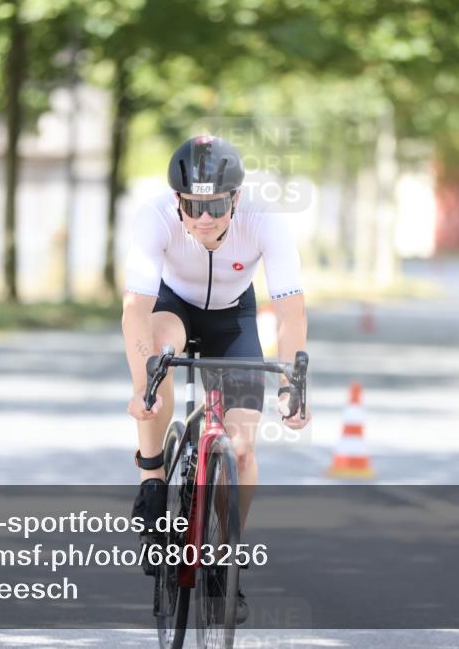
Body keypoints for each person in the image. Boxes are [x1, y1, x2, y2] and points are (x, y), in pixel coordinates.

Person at [121, 135, 312, 624]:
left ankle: (224, 559)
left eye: (217, 205)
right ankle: (152, 478)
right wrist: (142, 384)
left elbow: (290, 314)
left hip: (234, 319)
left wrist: (292, 387)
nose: (205, 217)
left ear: (236, 199)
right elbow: (135, 312)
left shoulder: (265, 222)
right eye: (194, 206)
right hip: (174, 309)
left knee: (243, 447)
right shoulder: (155, 217)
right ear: (177, 202)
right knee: (158, 357)